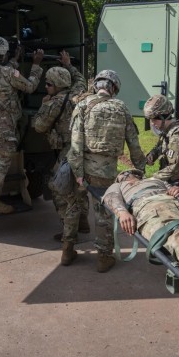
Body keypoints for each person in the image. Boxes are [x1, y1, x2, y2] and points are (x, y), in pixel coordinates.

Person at [66, 69, 146, 272]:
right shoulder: (121, 108)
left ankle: (67, 250)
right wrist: (140, 170)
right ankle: (104, 257)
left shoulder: (82, 106)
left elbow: (75, 144)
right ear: (114, 88)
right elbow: (134, 145)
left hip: (81, 168)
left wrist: (78, 172)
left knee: (74, 207)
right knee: (103, 213)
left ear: (97, 86)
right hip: (106, 171)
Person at [102, 169, 179, 289]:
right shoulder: (119, 186)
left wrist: (176, 190)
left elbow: (172, 188)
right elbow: (111, 197)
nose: (127, 174)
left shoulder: (155, 180)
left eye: (131, 172)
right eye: (123, 174)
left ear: (139, 175)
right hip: (149, 205)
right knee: (174, 232)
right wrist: (122, 212)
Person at [32, 51, 90, 260]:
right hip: (83, 149)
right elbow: (80, 79)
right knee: (80, 185)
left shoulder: (53, 103)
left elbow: (39, 126)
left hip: (66, 151)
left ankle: (68, 232)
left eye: (48, 84)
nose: (46, 87)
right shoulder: (77, 92)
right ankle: (83, 220)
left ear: (56, 85)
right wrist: (69, 65)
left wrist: (43, 104)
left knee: (59, 190)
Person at [0, 35, 44, 213]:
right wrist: (36, 65)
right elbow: (29, 86)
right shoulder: (7, 72)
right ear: (1, 55)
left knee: (1, 141)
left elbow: (3, 73)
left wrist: (15, 59)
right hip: (2, 118)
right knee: (4, 159)